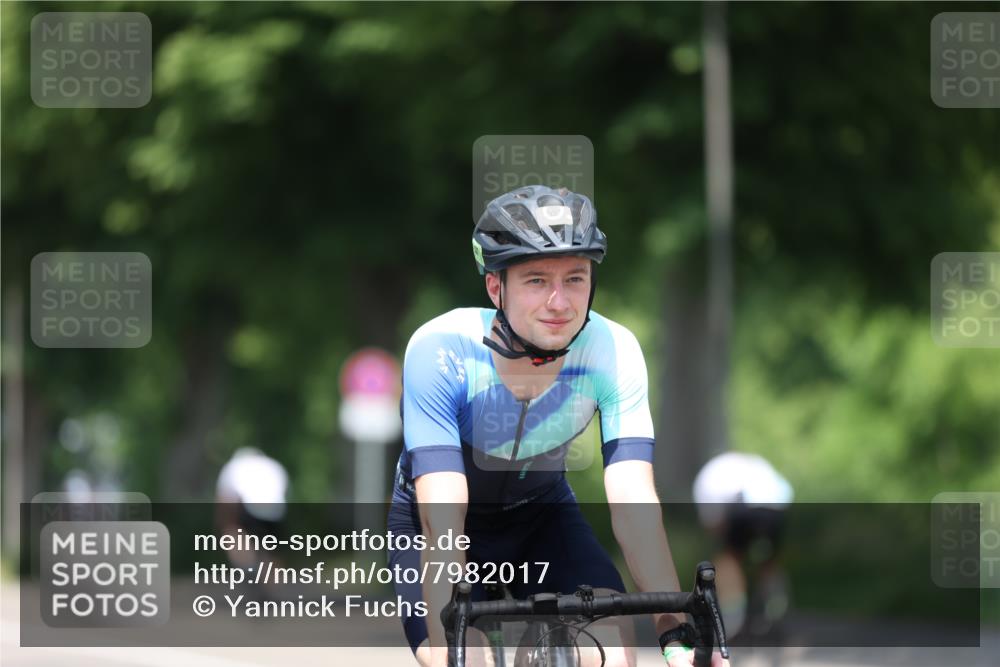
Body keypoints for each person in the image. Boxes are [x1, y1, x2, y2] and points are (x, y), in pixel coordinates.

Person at [387, 185, 731, 667]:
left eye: (575, 278)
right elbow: (442, 519)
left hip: (542, 516)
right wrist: (455, 644)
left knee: (608, 651)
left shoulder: (612, 350)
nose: (559, 301)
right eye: (534, 280)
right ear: (495, 286)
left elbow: (635, 505)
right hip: (438, 528)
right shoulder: (441, 350)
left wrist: (673, 630)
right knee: (463, 658)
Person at [692, 452, 794, 639]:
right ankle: (776, 609)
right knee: (770, 563)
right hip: (776, 504)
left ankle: (732, 618)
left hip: (743, 504)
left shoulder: (707, 478)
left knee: (729, 560)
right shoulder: (754, 463)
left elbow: (714, 525)